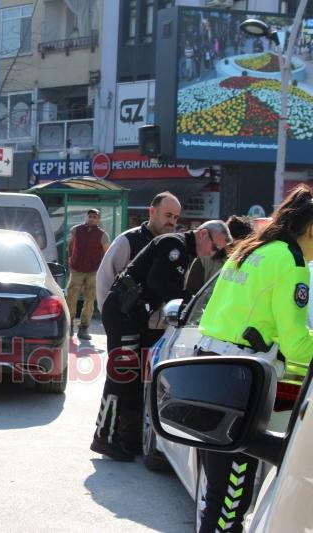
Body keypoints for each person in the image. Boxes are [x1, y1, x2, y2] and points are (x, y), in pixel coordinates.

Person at [195, 186, 313, 533]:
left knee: (215, 496)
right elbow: (296, 344)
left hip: (210, 370)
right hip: (240, 384)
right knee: (232, 500)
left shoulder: (251, 249)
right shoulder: (290, 262)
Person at [91, 220, 232, 461]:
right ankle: (104, 437)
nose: (213, 253)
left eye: (218, 251)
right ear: (203, 234)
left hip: (130, 315)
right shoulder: (173, 245)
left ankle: (119, 438)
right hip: (122, 313)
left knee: (129, 378)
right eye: (215, 247)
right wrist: (188, 299)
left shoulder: (183, 252)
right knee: (122, 375)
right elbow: (159, 282)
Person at [96, 192, 182, 310]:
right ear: (152, 212)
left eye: (176, 217)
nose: (172, 221)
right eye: (168, 215)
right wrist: (110, 317)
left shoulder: (174, 246)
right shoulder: (128, 240)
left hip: (163, 324)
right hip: (127, 323)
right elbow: (104, 279)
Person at [66, 209, 110, 340]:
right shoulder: (76, 230)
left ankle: (84, 328)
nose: (91, 218)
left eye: (94, 217)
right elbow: (71, 246)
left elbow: (107, 253)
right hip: (77, 270)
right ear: (86, 217)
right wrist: (71, 260)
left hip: (93, 271)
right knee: (71, 298)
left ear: (98, 220)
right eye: (90, 216)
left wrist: (103, 270)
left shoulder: (103, 235)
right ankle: (69, 326)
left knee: (90, 300)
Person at [185, 215, 253, 294]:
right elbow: (191, 294)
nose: (236, 251)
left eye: (242, 247)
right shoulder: (204, 260)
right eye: (232, 246)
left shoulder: (254, 266)